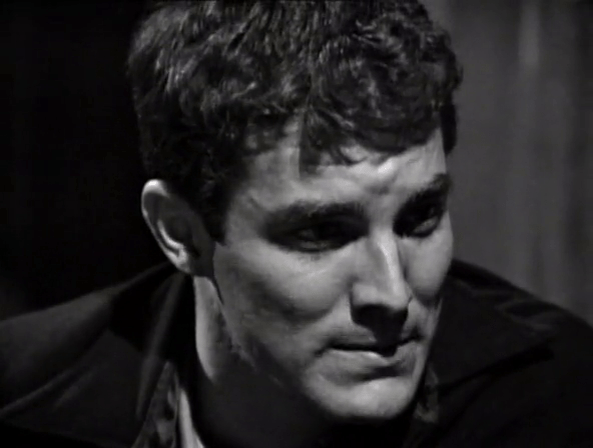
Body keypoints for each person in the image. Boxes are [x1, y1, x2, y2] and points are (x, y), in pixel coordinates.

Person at [1, 1, 592, 447]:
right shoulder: (22, 392)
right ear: (180, 233)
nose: (392, 294)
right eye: (322, 234)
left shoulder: (556, 402)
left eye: (420, 218)